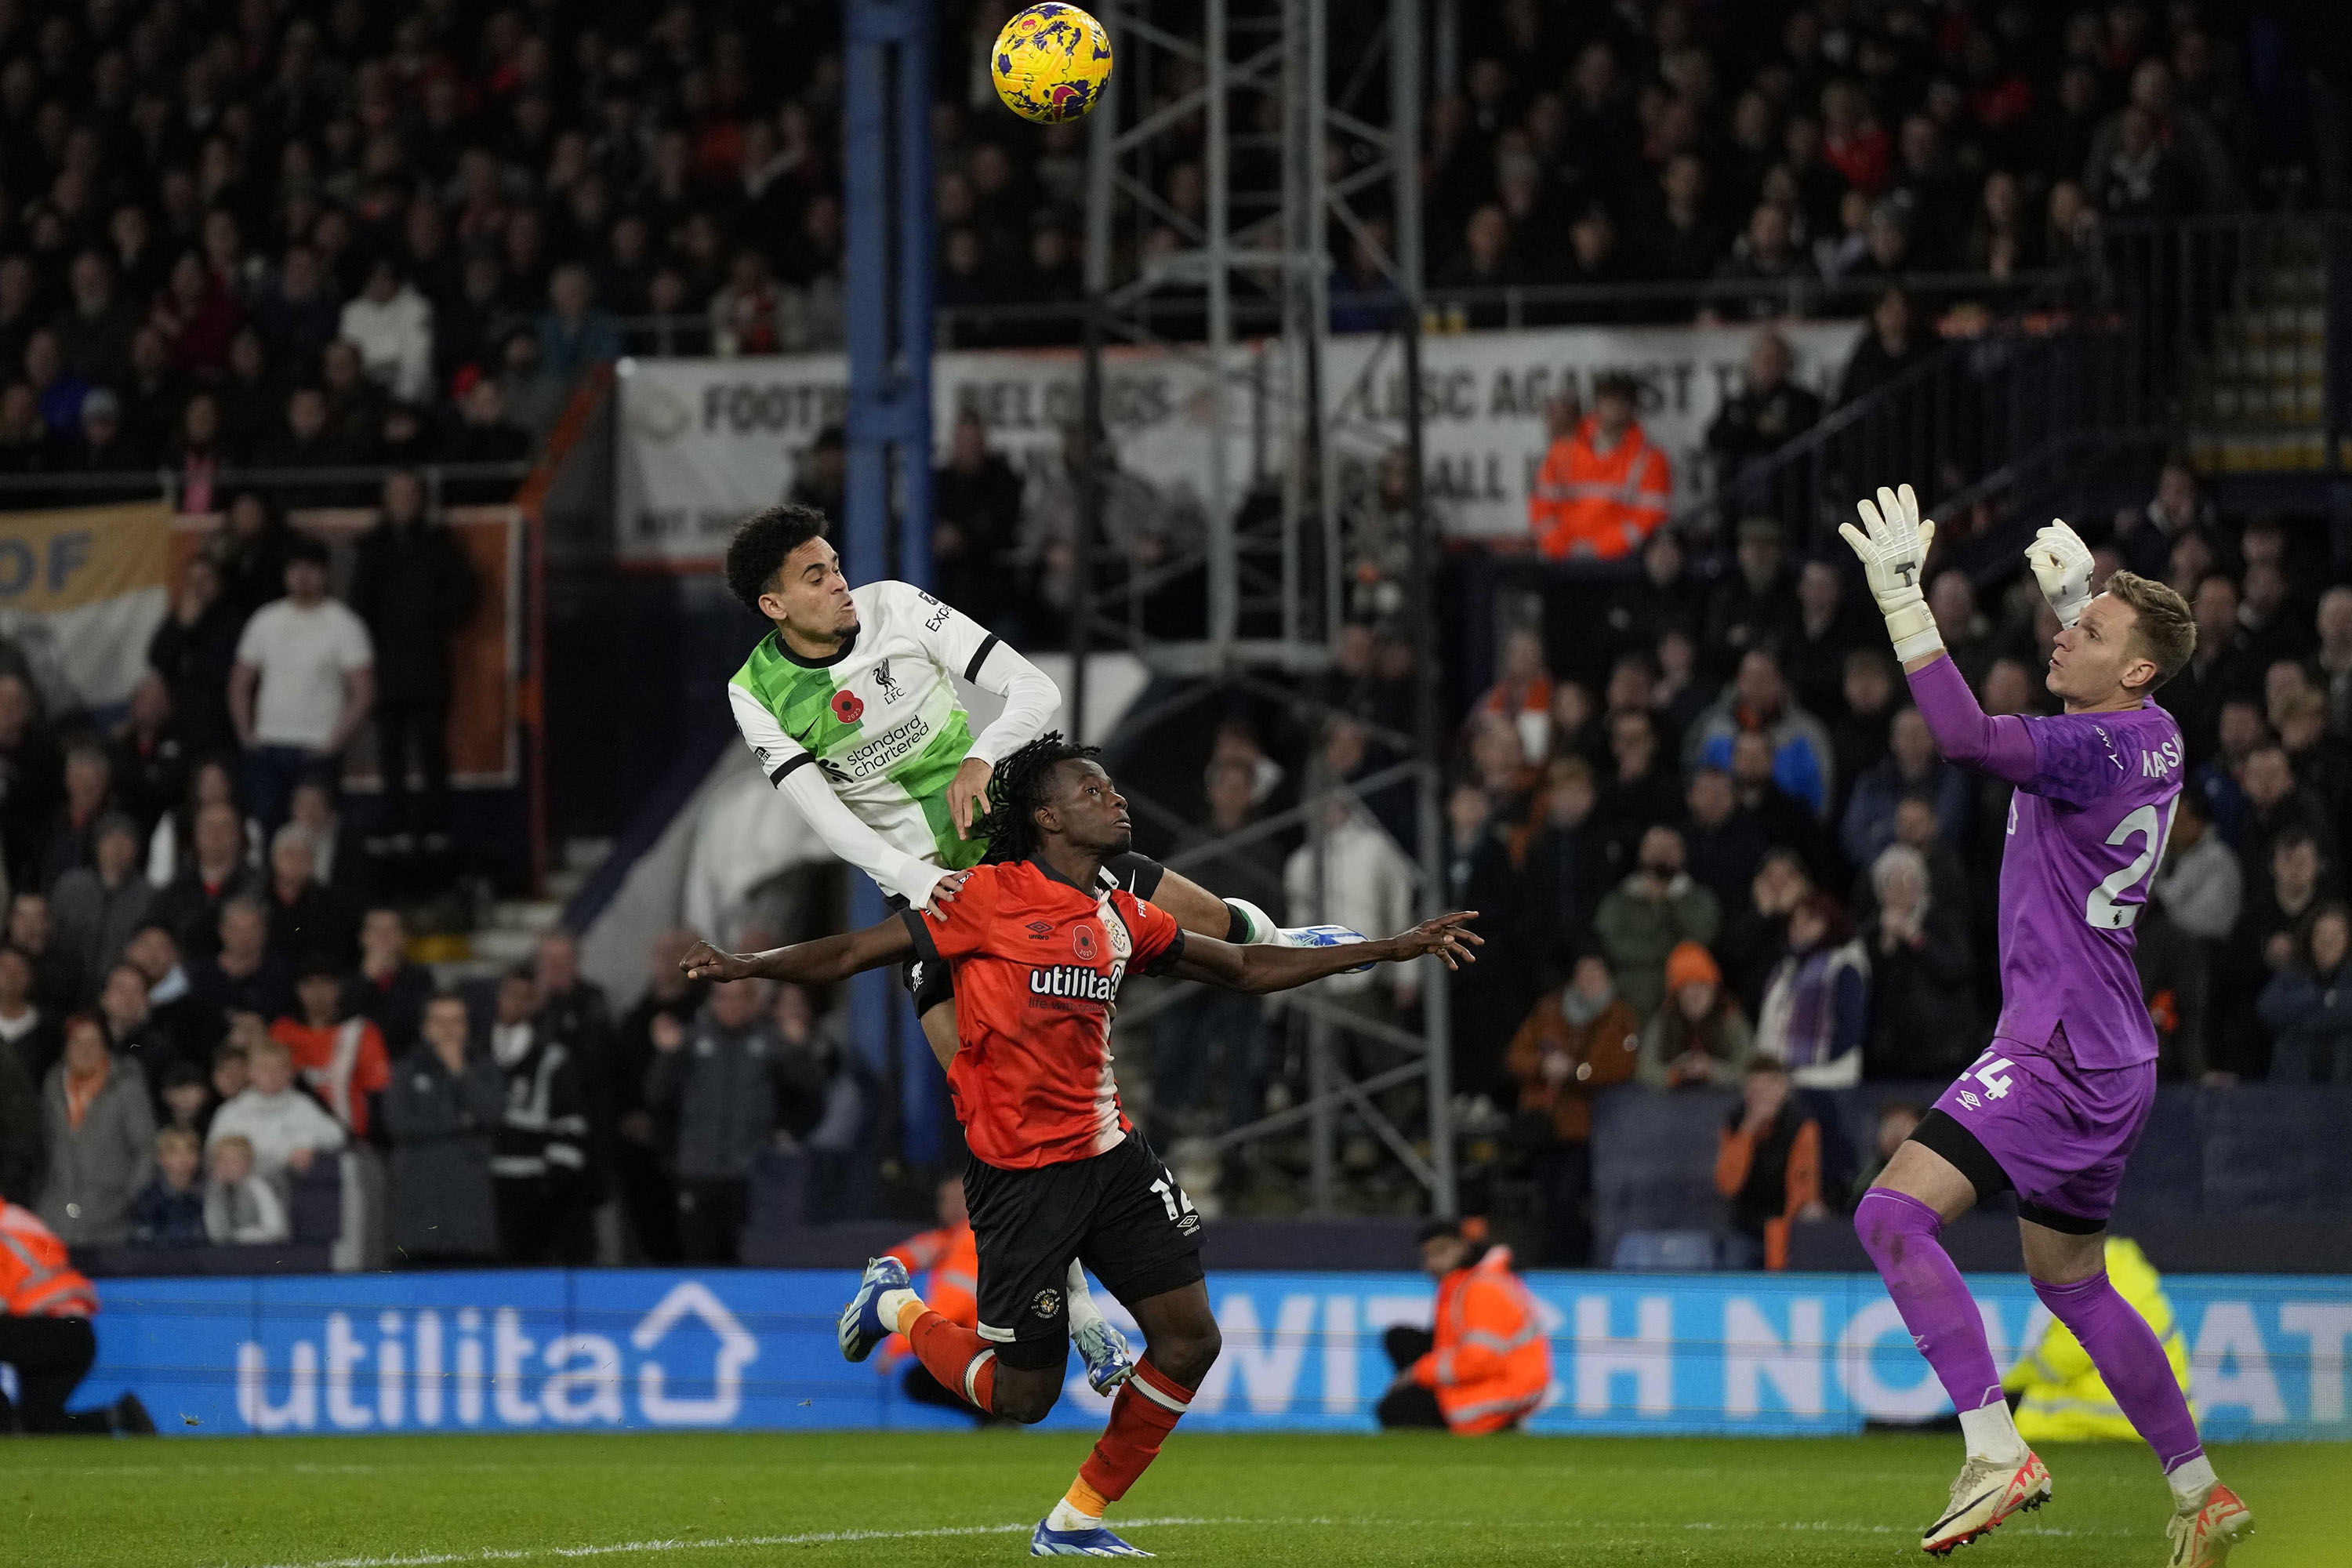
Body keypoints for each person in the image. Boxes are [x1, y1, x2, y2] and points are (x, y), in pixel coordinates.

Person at [679, 732, 1476, 1555]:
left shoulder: (1122, 910)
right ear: (1047, 815)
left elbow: (1241, 966)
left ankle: (1075, 1519)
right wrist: (748, 964)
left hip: (1111, 1158)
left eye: (1113, 789)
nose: (1117, 799)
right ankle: (895, 1302)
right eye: (1094, 790)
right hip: (1019, 1178)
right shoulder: (983, 896)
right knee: (1022, 1397)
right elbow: (853, 949)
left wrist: (1387, 946)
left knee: (1190, 1338)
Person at [1838, 485, 2249, 1561]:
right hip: (2116, 1054)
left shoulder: (2095, 748)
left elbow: (1966, 736)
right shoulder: (2155, 734)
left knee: (1889, 1219)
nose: (2064, 634)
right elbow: (2112, 703)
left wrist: (1902, 603)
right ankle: (2200, 1492)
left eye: (2090, 631)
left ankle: (1993, 1447)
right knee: (2070, 1281)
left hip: (2058, 1049)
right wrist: (2084, 596)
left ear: (2138, 672)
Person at [718, 503, 1298, 1127]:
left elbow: (1036, 688)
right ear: (773, 605)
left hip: (1015, 846)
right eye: (815, 577)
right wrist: (918, 882)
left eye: (835, 566)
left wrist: (981, 757)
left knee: (1218, 926)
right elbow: (826, 817)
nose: (839, 583)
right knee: (977, 1091)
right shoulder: (754, 691)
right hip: (928, 894)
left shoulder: (895, 606)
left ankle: (1291, 942)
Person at [347, 470, 477, 853]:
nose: (403, 501)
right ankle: (394, 824)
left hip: (428, 664)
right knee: (390, 752)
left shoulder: (440, 544)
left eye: (409, 494)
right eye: (396, 494)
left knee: (432, 749)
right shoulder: (372, 547)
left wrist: (428, 616)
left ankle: (435, 825)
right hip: (385, 667)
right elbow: (359, 605)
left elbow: (464, 594)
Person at [228, 532, 376, 834]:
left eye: (311, 569)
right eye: (295, 569)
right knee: (269, 829)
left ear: (325, 573)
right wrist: (246, 736)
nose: (303, 577)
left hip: (317, 749)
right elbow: (240, 683)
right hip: (268, 745)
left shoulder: (344, 624)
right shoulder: (265, 620)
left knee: (315, 833)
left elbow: (363, 693)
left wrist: (333, 744)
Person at [1503, 953, 1639, 1265]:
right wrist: (1543, 1066)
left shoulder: (1619, 1016)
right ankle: (1546, 1263)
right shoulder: (1550, 1010)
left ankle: (1574, 1264)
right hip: (1544, 1126)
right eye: (1584, 974)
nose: (1590, 981)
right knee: (1543, 1201)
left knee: (1571, 1201)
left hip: (1592, 1128)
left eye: (1596, 974)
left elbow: (1621, 1067)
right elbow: (1516, 1057)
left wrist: (1577, 1071)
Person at [643, 973, 782, 1265]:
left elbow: (807, 1091)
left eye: (738, 998)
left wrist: (783, 1135)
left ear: (753, 1001)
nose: (730, 1006)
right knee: (699, 1259)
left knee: (749, 1263)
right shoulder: (691, 1040)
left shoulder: (771, 1042)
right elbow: (657, 1094)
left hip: (752, 1176)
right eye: (722, 998)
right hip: (697, 1172)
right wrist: (667, 1054)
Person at [2004, 1236, 2194, 1447]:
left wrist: (2005, 1387)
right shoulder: (2122, 1272)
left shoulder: (2096, 1284)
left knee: (2003, 1414)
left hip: (2114, 1420)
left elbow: (2062, 1359)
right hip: (2159, 1420)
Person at [1375, 1218, 1551, 1434]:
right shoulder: (1460, 1285)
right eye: (1428, 1255)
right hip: (1491, 1376)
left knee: (1397, 1409)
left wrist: (1416, 1374)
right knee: (1400, 1340)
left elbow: (1479, 1361)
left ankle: (1501, 1425)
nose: (1433, 1262)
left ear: (1464, 1248)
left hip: (1503, 1387)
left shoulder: (1480, 1288)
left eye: (1441, 1251)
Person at [0, 1197, 154, 1434]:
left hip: (43, 1329)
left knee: (26, 1422)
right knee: (38, 1423)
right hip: (76, 1333)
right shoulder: (17, 1217)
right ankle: (117, 1416)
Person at [383, 992, 506, 1267]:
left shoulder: (483, 1067)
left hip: (469, 1212)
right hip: (418, 1209)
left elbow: (493, 1114)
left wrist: (460, 1072)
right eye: (440, 1021)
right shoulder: (406, 1069)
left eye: (456, 1021)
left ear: (467, 1026)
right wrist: (461, 1123)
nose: (448, 1030)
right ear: (426, 1027)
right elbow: (399, 1124)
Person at [485, 966, 593, 1265]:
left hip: (533, 1185)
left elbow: (572, 1121)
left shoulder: (552, 1056)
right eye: (510, 995)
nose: (516, 1003)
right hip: (484, 1183)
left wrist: (553, 1182)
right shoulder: (477, 1051)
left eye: (525, 997)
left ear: (535, 1002)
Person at [1527, 371, 1670, 562]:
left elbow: (1647, 518)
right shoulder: (1562, 451)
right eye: (1608, 401)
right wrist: (1561, 547)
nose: (1614, 409)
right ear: (1596, 404)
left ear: (1633, 408)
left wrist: (1601, 549)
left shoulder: (1651, 459)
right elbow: (1542, 508)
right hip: (1562, 562)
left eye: (1621, 402)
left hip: (1620, 564)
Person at [38, 1014, 155, 1247]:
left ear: (105, 1047)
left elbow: (146, 1150)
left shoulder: (126, 1087)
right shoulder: (52, 1085)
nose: (85, 1050)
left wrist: (128, 1200)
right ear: (66, 1049)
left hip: (112, 1221)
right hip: (55, 1220)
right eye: (77, 1042)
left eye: (93, 1043)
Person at [880, 1175, 986, 1417]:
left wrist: (897, 1347)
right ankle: (994, 1416)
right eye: (944, 1199)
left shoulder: (970, 1241)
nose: (948, 1206)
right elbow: (900, 1258)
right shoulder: (955, 1239)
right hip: (991, 1342)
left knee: (919, 1381)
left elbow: (951, 1304)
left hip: (985, 1344)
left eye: (958, 1199)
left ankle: (997, 1414)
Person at [1595, 826, 1721, 1021]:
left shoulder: (1699, 898)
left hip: (1683, 1004)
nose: (1662, 855)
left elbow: (1700, 940)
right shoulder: (1619, 900)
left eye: (1670, 849)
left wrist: (1673, 899)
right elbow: (1613, 946)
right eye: (1655, 848)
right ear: (1641, 853)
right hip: (1630, 997)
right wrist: (1666, 949)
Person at [1714, 1059, 1826, 1270]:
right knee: (1734, 1260)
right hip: (1744, 1225)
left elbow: (1804, 1187)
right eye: (1755, 1091)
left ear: (1783, 1090)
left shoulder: (1801, 1125)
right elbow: (1728, 1184)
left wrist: (1787, 1232)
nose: (1762, 1098)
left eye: (1769, 1088)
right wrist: (1748, 1130)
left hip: (1786, 1223)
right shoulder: (1735, 1123)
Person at [1752, 891, 1870, 1088]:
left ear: (1830, 924)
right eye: (1795, 920)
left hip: (1828, 1080)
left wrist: (1813, 1059)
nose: (1799, 927)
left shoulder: (1843, 966)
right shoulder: (1783, 969)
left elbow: (1850, 1027)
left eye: (1810, 920)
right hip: (1781, 1080)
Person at [270, 957, 391, 1137]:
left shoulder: (361, 1031)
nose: (318, 993)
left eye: (325, 984)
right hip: (290, 1139)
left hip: (350, 1138)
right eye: (309, 985)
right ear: (298, 990)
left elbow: (378, 1091)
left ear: (339, 988)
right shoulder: (282, 1031)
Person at [205, 1034, 346, 1179]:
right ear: (251, 1072)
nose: (272, 1076)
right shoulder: (231, 1111)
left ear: (290, 1073)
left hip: (295, 1186)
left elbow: (336, 1135)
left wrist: (304, 1144)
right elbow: (213, 1153)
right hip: (247, 1186)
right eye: (265, 1069)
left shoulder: (301, 1104)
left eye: (279, 1069)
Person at [2257, 901, 2352, 1083]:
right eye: (2321, 934)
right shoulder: (2293, 974)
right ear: (2310, 938)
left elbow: (2346, 1012)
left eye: (2336, 935)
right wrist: (2321, 997)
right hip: (2293, 1087)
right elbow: (2267, 1009)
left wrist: (2297, 1023)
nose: (2328, 942)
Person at [1635, 941, 1753, 1086]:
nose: (1695, 994)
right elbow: (1644, 1069)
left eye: (1702, 985)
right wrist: (1676, 1074)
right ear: (1677, 994)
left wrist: (1711, 1070)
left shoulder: (1729, 1016)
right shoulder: (1664, 1018)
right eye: (1687, 987)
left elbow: (1749, 1068)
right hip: (1672, 1102)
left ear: (1714, 990)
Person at [201, 1132, 289, 1244]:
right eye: (222, 1160)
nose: (228, 1166)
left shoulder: (258, 1186)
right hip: (225, 1251)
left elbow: (276, 1229)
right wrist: (218, 1190)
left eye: (234, 1160)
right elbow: (214, 1231)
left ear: (248, 1162)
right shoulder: (213, 1189)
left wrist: (239, 1237)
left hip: (261, 1249)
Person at [128, 1125, 207, 1247]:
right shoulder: (147, 1199)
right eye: (173, 1151)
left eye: (190, 1150)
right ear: (160, 1157)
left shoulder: (209, 1195)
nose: (183, 1158)